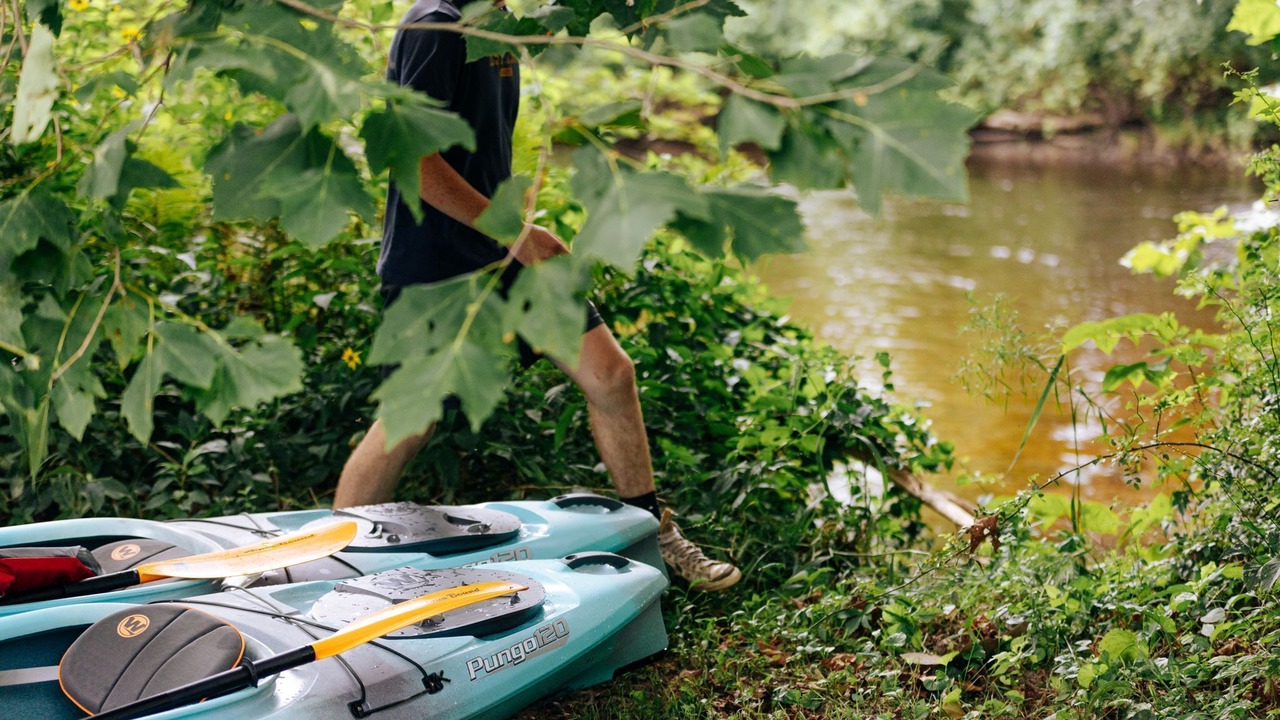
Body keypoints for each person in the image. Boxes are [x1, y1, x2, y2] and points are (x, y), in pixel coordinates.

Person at [333, 0, 741, 592]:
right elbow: (412, 163)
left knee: (610, 375)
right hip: (438, 270)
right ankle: (334, 558)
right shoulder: (435, 24)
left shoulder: (498, 29)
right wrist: (518, 233)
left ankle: (656, 535)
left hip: (503, 256)